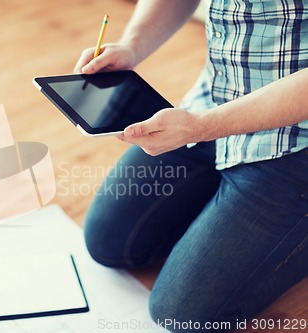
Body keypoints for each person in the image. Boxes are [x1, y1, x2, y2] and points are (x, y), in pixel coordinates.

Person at [74, 1, 308, 332]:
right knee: (108, 242)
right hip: (212, 102)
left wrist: (200, 128)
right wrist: (131, 45)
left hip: (296, 142)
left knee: (182, 313)